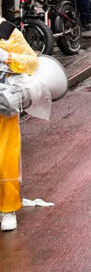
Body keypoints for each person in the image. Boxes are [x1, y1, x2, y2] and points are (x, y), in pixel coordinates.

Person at [0, 21, 44, 232]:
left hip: (2, 106)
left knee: (5, 159)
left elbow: (31, 63)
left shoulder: (5, 31)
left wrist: (7, 58)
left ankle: (7, 208)